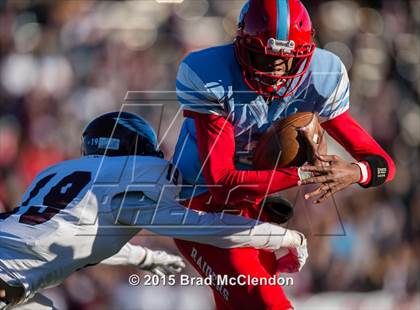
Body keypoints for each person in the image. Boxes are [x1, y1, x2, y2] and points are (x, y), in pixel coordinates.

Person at [173, 0, 396, 308]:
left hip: (252, 211)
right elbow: (221, 181)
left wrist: (356, 171)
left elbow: (382, 164)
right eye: (264, 57)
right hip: (200, 209)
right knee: (269, 304)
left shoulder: (322, 75)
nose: (276, 71)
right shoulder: (211, 74)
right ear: (242, 46)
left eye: (286, 60)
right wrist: (306, 173)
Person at [0, 111, 307, 309]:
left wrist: (145, 257)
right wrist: (283, 237)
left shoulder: (55, 175)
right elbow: (207, 228)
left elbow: (78, 239)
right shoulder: (132, 181)